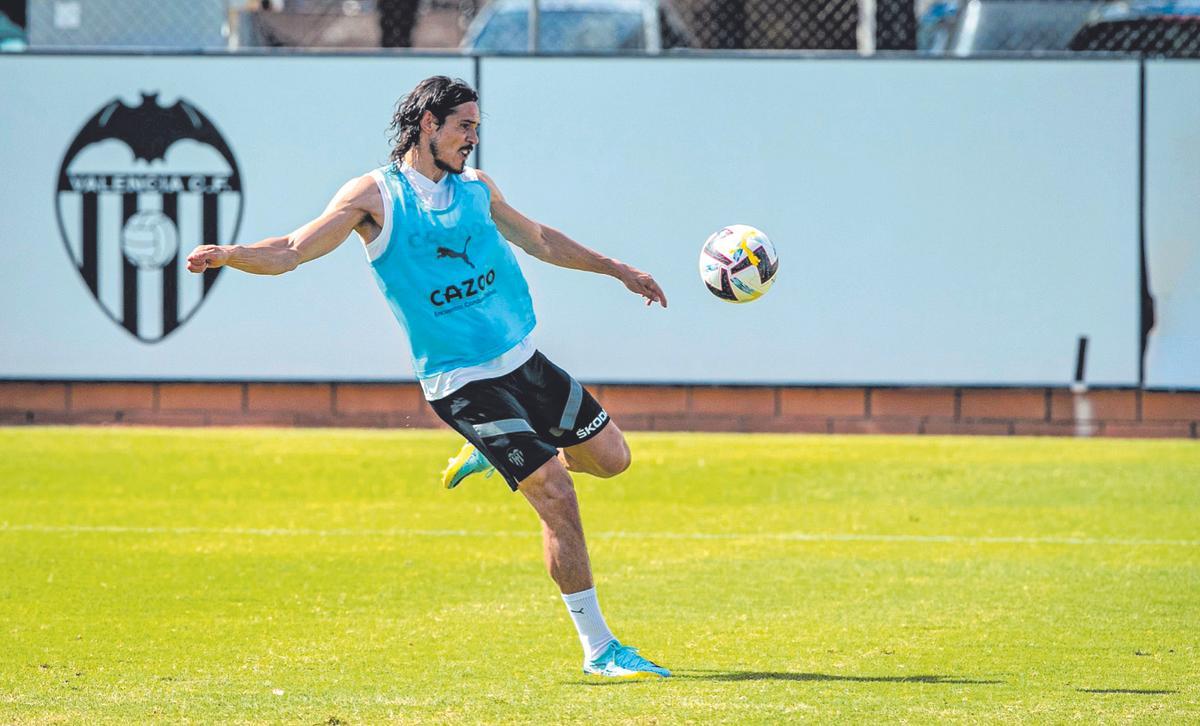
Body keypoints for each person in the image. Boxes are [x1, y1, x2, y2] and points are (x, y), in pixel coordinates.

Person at [185, 76, 671, 678]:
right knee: (554, 489)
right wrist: (231, 253)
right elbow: (291, 248)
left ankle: (497, 459)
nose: (473, 139)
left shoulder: (477, 189)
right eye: (463, 126)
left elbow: (541, 239)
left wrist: (616, 269)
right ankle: (600, 650)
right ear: (427, 125)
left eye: (476, 127)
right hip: (461, 382)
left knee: (612, 459)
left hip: (523, 361)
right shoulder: (375, 197)